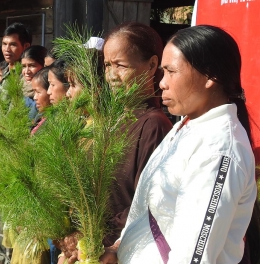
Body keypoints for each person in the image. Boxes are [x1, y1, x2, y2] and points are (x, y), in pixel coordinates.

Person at [101, 25, 258, 264]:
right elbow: (146, 209)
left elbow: (194, 256)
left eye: (171, 71)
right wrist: (119, 247)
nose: (162, 83)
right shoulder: (185, 127)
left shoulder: (218, 149)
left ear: (210, 76)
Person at [99, 22, 174, 248]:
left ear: (152, 65)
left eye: (120, 65)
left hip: (123, 247)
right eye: (106, 65)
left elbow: (145, 206)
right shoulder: (113, 119)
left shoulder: (154, 125)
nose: (111, 76)